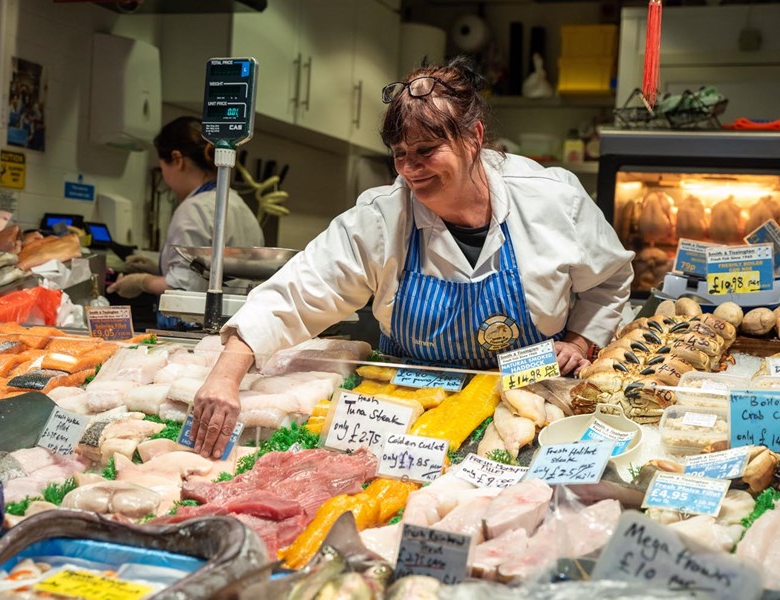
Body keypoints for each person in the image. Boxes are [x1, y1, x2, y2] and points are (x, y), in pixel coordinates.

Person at [190, 57, 634, 458]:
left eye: (426, 151)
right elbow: (294, 294)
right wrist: (225, 377)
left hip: (529, 404)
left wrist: (578, 341)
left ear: (474, 138)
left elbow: (609, 278)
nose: (410, 169)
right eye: (400, 155)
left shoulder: (551, 199)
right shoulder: (381, 218)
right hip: (404, 409)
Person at [106, 116, 264, 307]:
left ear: (177, 159)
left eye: (163, 168)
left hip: (196, 325)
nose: (164, 177)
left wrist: (141, 281)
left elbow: (183, 286)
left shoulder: (194, 209)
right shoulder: (240, 205)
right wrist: (158, 267)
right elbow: (212, 271)